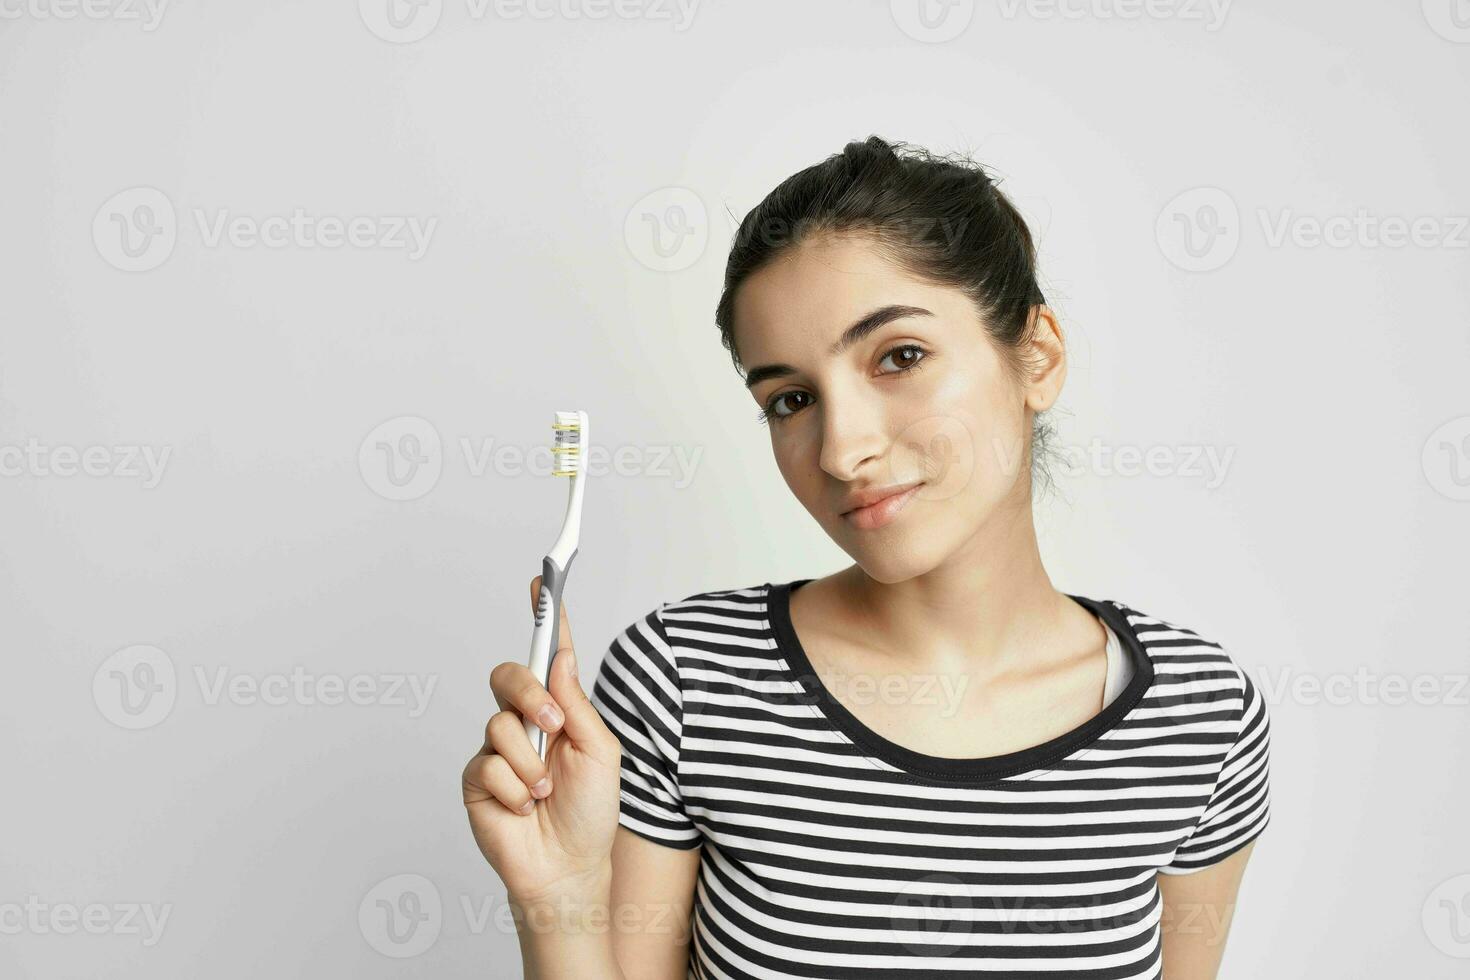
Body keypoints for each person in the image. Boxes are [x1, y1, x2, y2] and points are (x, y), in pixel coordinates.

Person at [463, 136, 1272, 979]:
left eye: (900, 357)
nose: (842, 450)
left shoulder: (1198, 718)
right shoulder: (686, 680)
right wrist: (557, 900)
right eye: (792, 400)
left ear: (1037, 356)